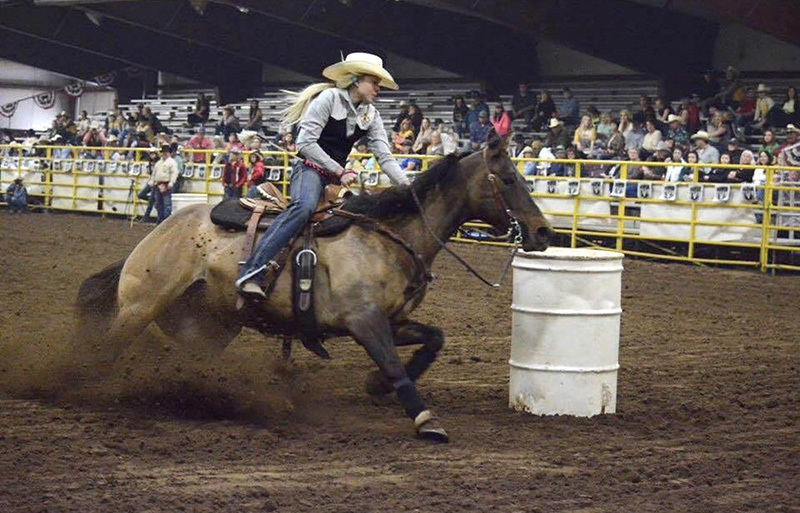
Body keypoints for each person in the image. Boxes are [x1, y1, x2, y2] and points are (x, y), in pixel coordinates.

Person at [236, 52, 410, 298]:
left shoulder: (371, 115)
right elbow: (305, 143)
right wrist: (340, 169)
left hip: (335, 179)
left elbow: (384, 156)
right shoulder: (329, 98)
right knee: (304, 207)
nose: (378, 89)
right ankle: (252, 272)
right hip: (309, 170)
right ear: (356, 81)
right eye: (374, 82)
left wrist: (407, 185)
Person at [148, 145, 179, 224]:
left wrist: (171, 182)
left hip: (166, 183)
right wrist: (152, 181)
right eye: (163, 152)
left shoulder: (172, 162)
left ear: (169, 153)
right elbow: (154, 173)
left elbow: (174, 173)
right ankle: (160, 220)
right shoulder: (158, 163)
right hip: (158, 184)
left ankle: (166, 221)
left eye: (166, 152)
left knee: (166, 203)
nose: (164, 154)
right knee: (159, 203)